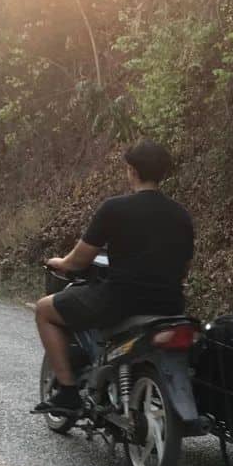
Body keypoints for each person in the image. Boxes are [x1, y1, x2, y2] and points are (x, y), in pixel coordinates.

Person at [32, 139, 194, 415]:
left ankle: (68, 392)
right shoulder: (182, 215)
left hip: (120, 301)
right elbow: (184, 265)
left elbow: (79, 260)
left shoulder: (115, 208)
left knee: (44, 310)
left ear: (131, 170)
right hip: (170, 304)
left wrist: (59, 262)